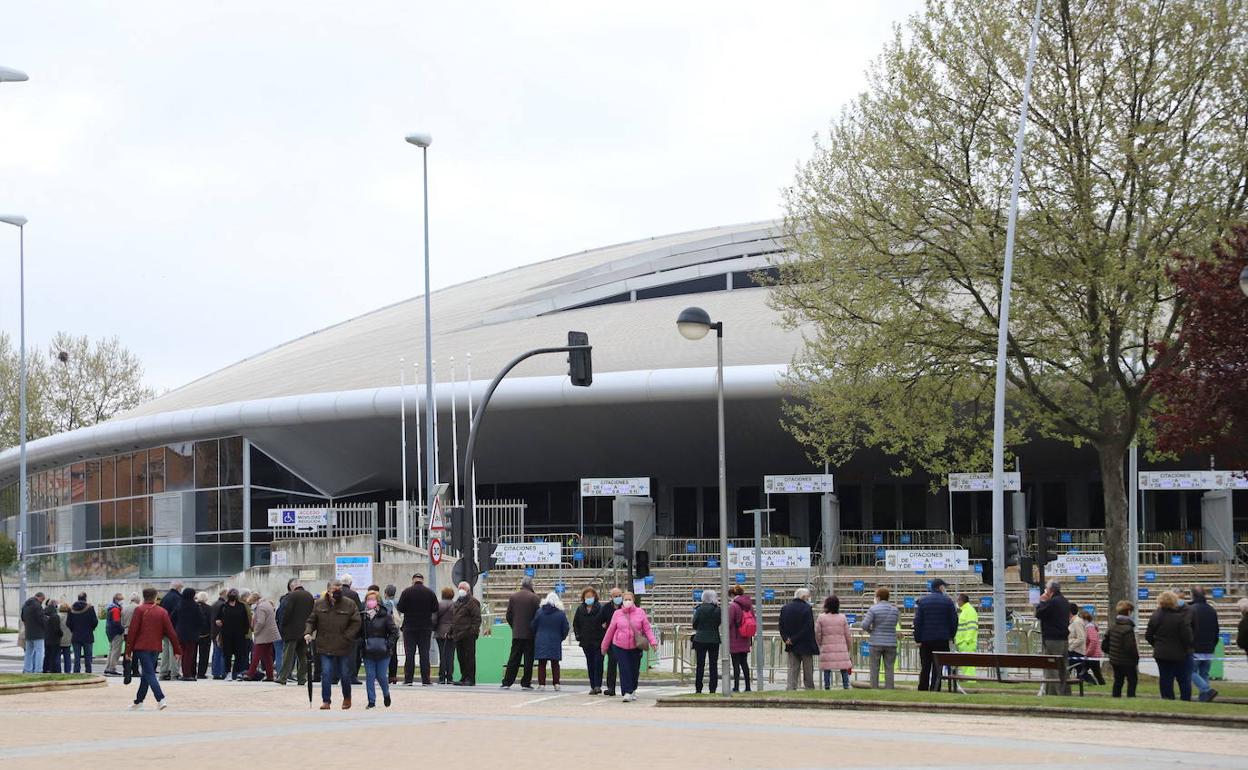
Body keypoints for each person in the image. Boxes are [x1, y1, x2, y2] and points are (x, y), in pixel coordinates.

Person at [305, 578, 362, 709]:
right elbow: (311, 620)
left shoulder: (349, 603)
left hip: (344, 645)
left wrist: (347, 636)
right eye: (334, 588)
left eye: (339, 588)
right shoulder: (319, 604)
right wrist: (308, 632)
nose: (337, 591)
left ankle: (347, 697)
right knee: (326, 673)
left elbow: (356, 622)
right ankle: (326, 700)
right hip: (325, 644)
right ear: (328, 589)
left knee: (345, 674)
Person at [125, 587, 181, 711]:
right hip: (155, 647)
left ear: (144, 596)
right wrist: (177, 650)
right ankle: (138, 701)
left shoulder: (139, 610)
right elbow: (171, 632)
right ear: (155, 597)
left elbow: (133, 631)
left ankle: (160, 698)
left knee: (149, 673)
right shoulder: (162, 612)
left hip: (141, 647)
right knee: (146, 673)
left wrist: (128, 650)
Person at [600, 592, 657, 702]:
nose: (627, 601)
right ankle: (627, 691)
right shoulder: (617, 613)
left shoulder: (640, 612)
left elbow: (647, 629)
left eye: (629, 599)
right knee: (624, 668)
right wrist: (604, 646)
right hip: (620, 645)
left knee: (634, 670)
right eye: (625, 599)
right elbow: (610, 630)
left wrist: (653, 642)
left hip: (636, 646)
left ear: (633, 600)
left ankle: (633, 689)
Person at [1145, 590, 1194, 701]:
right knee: (1183, 679)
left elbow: (1148, 635)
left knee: (1165, 678)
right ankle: (1185, 699)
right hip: (1180, 653)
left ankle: (1167, 698)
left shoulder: (1155, 616)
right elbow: (1187, 637)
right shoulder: (1180, 618)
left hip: (1161, 653)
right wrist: (1187, 648)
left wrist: (1157, 644)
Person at [912, 578, 958, 692]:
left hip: (926, 640)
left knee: (925, 666)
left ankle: (923, 687)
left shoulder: (922, 601)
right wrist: (951, 635)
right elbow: (954, 621)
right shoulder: (948, 601)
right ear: (940, 587)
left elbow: (917, 622)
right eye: (944, 587)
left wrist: (917, 638)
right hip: (942, 639)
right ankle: (935, 687)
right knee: (938, 667)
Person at [396, 572, 438, 686]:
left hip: (409, 627)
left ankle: (408, 679)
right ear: (422, 580)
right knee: (424, 653)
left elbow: (400, 608)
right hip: (425, 627)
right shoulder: (430, 592)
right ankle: (426, 680)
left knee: (409, 654)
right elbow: (435, 608)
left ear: (413, 580)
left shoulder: (406, 592)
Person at [500, 575, 541, 690]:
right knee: (529, 659)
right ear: (531, 585)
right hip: (530, 634)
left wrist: (514, 626)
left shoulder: (513, 597)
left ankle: (507, 681)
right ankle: (526, 682)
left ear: (522, 584)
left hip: (517, 633)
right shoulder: (535, 598)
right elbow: (538, 616)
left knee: (513, 658)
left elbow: (508, 615)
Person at [359, 589, 398, 709]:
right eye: (368, 599)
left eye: (373, 599)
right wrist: (361, 644)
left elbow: (394, 632)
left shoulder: (385, 615)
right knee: (370, 676)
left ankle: (386, 694)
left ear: (378, 601)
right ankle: (371, 701)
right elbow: (359, 632)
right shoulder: (363, 616)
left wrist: (388, 644)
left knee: (381, 676)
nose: (370, 602)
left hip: (383, 651)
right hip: (368, 651)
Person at [1034, 580, 1072, 695]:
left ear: (1050, 590)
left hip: (1052, 639)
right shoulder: (1065, 601)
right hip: (1063, 639)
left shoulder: (1052, 602)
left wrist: (1042, 602)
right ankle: (1065, 692)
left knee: (1051, 668)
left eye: (1046, 588)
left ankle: (1053, 693)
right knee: (1063, 667)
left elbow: (1039, 614)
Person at [779, 587, 818, 691]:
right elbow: (808, 627)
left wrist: (787, 639)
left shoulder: (785, 608)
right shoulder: (807, 609)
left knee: (792, 669)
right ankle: (809, 688)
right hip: (805, 644)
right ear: (803, 597)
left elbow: (781, 626)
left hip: (790, 645)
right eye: (808, 597)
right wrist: (794, 639)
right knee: (808, 670)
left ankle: (791, 688)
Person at [277, 578, 314, 687]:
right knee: (302, 656)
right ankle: (302, 678)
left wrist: (282, 627)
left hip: (291, 631)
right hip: (305, 631)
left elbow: (285, 613)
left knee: (288, 655)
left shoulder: (290, 596)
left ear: (292, 587)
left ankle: (283, 677)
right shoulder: (309, 596)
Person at [860, 586, 899, 689]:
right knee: (889, 668)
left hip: (876, 642)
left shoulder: (873, 609)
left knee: (874, 668)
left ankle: (874, 688)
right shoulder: (895, 610)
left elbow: (864, 625)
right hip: (891, 642)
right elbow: (894, 624)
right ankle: (889, 689)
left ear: (878, 597)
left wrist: (872, 631)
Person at [532, 591, 570, 691]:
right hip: (555, 640)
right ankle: (556, 683)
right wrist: (561, 637)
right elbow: (565, 628)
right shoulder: (561, 614)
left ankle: (542, 684)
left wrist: (537, 635)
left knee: (542, 663)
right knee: (555, 663)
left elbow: (533, 625)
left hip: (541, 640)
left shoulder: (539, 612)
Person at [1188, 587, 1220, 702]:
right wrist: (1213, 644)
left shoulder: (1191, 610)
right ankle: (1204, 698)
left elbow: (1188, 630)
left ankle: (1206, 690)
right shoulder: (1211, 610)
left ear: (1192, 595)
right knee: (1204, 674)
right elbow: (1216, 630)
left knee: (1189, 671)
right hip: (1209, 647)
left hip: (1195, 648)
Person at [572, 587, 606, 694]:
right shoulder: (580, 609)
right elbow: (576, 624)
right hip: (586, 641)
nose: (589, 599)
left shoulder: (600, 608)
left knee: (598, 663)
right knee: (590, 663)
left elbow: (605, 622)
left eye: (591, 596)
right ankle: (592, 685)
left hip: (598, 640)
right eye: (587, 597)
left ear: (595, 596)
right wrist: (578, 635)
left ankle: (597, 685)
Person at [815, 595, 853, 690]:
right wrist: (848, 647)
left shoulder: (821, 618)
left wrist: (820, 644)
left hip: (827, 646)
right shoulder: (842, 617)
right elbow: (847, 635)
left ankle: (827, 686)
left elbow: (818, 634)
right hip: (841, 647)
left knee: (827, 669)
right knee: (843, 668)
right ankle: (846, 686)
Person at [1103, 600, 1138, 698]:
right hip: (1127, 661)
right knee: (1132, 680)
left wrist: (1113, 653)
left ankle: (1115, 698)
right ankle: (1131, 697)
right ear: (1128, 612)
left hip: (1115, 660)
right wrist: (1136, 658)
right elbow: (1130, 647)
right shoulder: (1128, 629)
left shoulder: (1113, 627)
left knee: (1118, 681)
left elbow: (1104, 645)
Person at [450, 581, 481, 686]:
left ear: (468, 590)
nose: (461, 590)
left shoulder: (473, 602)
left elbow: (476, 619)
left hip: (468, 634)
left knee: (469, 657)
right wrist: (451, 630)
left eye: (463, 588)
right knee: (461, 657)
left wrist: (473, 631)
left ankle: (470, 678)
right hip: (458, 634)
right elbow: (454, 618)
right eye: (459, 588)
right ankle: (464, 677)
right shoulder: (457, 602)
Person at [690, 588, 721, 694]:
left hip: (700, 639)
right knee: (713, 665)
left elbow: (694, 624)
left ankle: (698, 688)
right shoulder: (717, 609)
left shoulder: (699, 609)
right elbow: (719, 622)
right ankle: (713, 688)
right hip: (714, 639)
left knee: (700, 665)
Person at [245, 590, 279, 681]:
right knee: (268, 655)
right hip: (270, 633)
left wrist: (255, 631)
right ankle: (270, 675)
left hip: (263, 634)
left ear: (254, 601)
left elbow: (260, 622)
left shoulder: (260, 607)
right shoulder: (267, 604)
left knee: (256, 654)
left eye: (251, 604)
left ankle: (250, 674)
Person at [727, 584, 755, 692]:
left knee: (735, 664)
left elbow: (729, 622)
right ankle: (748, 686)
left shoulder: (733, 606)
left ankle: (736, 686)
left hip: (735, 637)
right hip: (746, 637)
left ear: (733, 594)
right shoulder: (749, 605)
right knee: (744, 663)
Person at [217, 589, 250, 680]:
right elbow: (218, 618)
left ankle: (237, 672)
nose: (233, 595)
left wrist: (245, 632)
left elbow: (246, 620)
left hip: (239, 635)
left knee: (239, 654)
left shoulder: (241, 606)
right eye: (231, 593)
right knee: (227, 654)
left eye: (235, 594)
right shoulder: (223, 606)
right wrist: (218, 622)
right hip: (227, 635)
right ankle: (227, 672)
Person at [171, 587, 203, 681]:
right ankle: (187, 674)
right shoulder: (195, 606)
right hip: (192, 634)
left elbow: (172, 618)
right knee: (189, 654)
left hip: (180, 633)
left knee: (183, 653)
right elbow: (201, 620)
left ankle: (184, 672)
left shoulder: (179, 605)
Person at [66, 592, 99, 673]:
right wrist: (91, 628)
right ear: (85, 598)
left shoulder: (71, 609)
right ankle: (88, 672)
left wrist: (73, 630)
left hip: (76, 636)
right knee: (88, 657)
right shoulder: (90, 608)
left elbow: (68, 623)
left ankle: (76, 672)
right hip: (88, 636)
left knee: (77, 658)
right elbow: (95, 621)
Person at [339, 574, 363, 684]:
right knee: (352, 653)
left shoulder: (336, 593)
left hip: (337, 627)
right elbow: (360, 609)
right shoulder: (353, 594)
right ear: (350, 583)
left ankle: (335, 676)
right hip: (350, 627)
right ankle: (352, 676)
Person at [600, 587, 624, 695]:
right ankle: (611, 688)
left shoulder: (625, 607)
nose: (618, 598)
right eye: (616, 596)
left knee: (624, 665)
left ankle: (627, 688)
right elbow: (600, 621)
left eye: (619, 595)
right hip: (612, 640)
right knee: (611, 664)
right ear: (611, 597)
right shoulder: (606, 608)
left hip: (624, 639)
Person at [158, 581, 183, 681]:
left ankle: (163, 672)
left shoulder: (165, 598)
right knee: (174, 650)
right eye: (181, 587)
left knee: (166, 652)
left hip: (164, 629)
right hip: (174, 629)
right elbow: (178, 615)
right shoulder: (178, 598)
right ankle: (174, 672)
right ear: (178, 588)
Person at [953, 593, 979, 686]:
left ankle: (971, 681)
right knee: (966, 665)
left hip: (967, 643)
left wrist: (967, 640)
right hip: (963, 642)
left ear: (961, 601)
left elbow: (972, 627)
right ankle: (968, 680)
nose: (957, 602)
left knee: (968, 665)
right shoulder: (965, 610)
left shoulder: (969, 611)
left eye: (958, 600)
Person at [20, 591, 47, 674]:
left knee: (28, 652)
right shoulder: (37, 606)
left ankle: (27, 670)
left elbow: (23, 618)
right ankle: (38, 671)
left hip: (29, 632)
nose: (42, 601)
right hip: (38, 633)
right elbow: (41, 619)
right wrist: (47, 622)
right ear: (40, 598)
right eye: (42, 599)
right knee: (40, 652)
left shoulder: (25, 605)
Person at [434, 586, 456, 684]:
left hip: (440, 632)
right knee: (450, 655)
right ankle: (450, 677)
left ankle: (442, 677)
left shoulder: (438, 605)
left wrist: (434, 628)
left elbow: (434, 619)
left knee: (442, 655)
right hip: (452, 633)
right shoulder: (456, 605)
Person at [1080, 609, 1106, 685]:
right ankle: (1096, 684)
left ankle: (1095, 683)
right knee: (1084, 672)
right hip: (1092, 655)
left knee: (1094, 673)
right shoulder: (1089, 628)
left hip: (1092, 655)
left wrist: (1087, 653)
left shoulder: (1090, 628)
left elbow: (1093, 641)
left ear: (1084, 619)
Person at [104, 593, 126, 676]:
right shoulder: (116, 609)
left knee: (111, 650)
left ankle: (108, 667)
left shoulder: (110, 608)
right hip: (116, 632)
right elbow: (116, 621)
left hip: (110, 631)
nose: (122, 601)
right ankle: (112, 668)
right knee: (116, 651)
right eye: (121, 599)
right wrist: (122, 630)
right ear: (117, 600)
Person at [209, 589, 228, 679]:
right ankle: (221, 672)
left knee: (216, 653)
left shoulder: (214, 604)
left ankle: (215, 672)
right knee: (221, 653)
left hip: (213, 631)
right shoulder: (223, 605)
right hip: (220, 632)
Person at [1067, 603, 1088, 682]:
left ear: (1069, 612)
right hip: (1075, 651)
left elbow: (1081, 638)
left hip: (1076, 651)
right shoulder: (1073, 621)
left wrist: (1070, 648)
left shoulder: (1077, 622)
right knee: (1081, 672)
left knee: (1068, 669)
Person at [42, 598, 64, 673]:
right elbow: (56, 628)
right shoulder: (55, 616)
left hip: (46, 637)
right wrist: (61, 634)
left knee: (47, 655)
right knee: (53, 656)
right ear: (55, 605)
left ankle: (45, 669)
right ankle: (53, 670)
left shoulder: (44, 613)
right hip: (54, 639)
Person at [383, 585, 399, 684]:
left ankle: (383, 673)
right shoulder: (397, 603)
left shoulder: (384, 603)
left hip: (385, 630)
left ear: (385, 593)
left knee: (384, 653)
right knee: (394, 653)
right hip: (395, 630)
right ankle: (393, 675)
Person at [195, 592, 213, 679]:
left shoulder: (194, 607)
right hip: (206, 635)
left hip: (194, 635)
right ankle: (201, 674)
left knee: (192, 655)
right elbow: (211, 623)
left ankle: (191, 672)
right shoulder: (210, 608)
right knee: (204, 655)